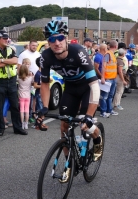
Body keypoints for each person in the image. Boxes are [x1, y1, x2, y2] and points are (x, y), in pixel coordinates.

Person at [39, 20, 102, 182]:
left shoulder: (78, 52)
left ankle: (97, 139)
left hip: (87, 87)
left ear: (66, 38)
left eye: (60, 38)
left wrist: (89, 114)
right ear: (48, 42)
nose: (57, 42)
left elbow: (94, 85)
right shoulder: (45, 57)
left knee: (85, 123)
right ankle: (69, 163)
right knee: (64, 125)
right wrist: (44, 107)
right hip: (71, 89)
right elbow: (45, 83)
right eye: (52, 39)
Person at [0, 30, 27, 136]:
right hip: (0, 81)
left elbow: (15, 61)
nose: (7, 40)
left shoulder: (11, 49)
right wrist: (7, 62)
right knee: (0, 106)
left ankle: (17, 128)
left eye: (7, 38)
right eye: (4, 38)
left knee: (15, 105)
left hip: (11, 81)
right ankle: (0, 128)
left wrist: (1, 61)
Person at [18, 39, 41, 123]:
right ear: (29, 45)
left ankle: (35, 114)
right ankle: (29, 115)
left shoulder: (38, 54)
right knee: (29, 100)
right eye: (33, 45)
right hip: (27, 80)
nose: (34, 47)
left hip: (36, 79)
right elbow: (19, 67)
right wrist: (23, 76)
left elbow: (40, 65)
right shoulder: (23, 54)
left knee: (36, 98)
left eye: (36, 45)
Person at [99, 40, 119, 117]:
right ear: (116, 46)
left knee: (110, 96)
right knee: (104, 96)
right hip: (108, 78)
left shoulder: (111, 54)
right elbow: (104, 66)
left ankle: (109, 110)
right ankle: (103, 111)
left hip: (112, 78)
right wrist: (103, 77)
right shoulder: (108, 54)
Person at [17, 58, 34, 129]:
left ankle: (21, 123)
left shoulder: (19, 78)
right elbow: (33, 83)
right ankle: (26, 124)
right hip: (28, 96)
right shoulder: (30, 78)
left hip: (21, 96)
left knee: (21, 110)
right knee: (27, 110)